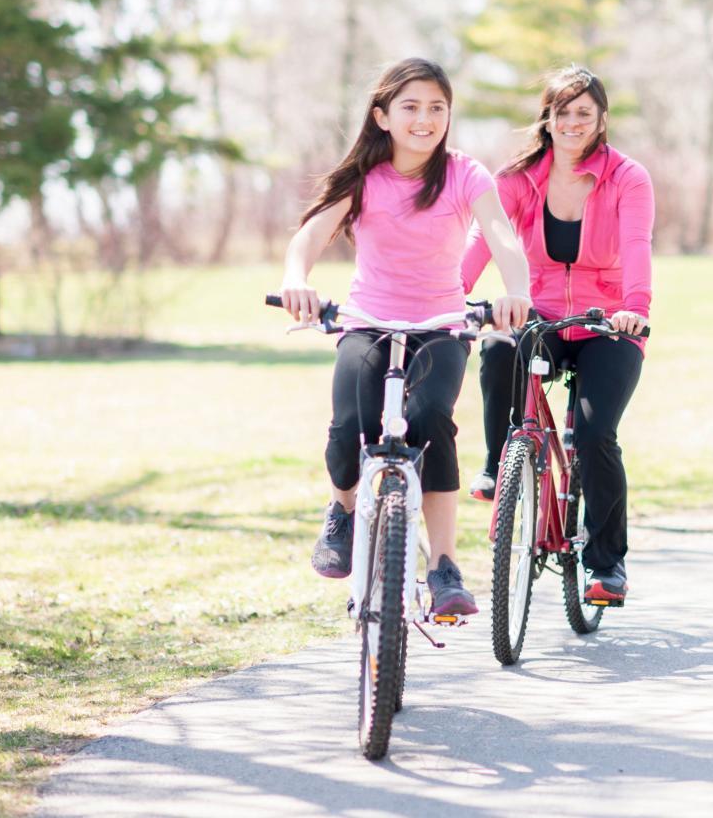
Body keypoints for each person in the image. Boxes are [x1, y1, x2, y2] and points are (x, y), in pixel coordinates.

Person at [279, 57, 532, 617]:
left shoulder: (466, 174)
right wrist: (296, 280)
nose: (425, 119)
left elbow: (502, 237)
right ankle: (343, 510)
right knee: (350, 425)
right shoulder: (363, 179)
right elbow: (310, 237)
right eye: (411, 107)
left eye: (437, 108)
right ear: (383, 116)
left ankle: (444, 567)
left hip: (441, 326)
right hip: (368, 321)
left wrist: (516, 290)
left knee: (432, 422)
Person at [461, 65, 654, 606]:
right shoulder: (518, 178)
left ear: (601, 119)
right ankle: (502, 461)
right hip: (537, 313)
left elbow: (638, 244)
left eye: (584, 113)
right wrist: (450, 296)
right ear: (546, 117)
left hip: (607, 323)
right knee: (498, 346)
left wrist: (634, 309)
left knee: (595, 436)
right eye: (562, 112)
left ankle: (606, 564)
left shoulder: (626, 177)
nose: (572, 123)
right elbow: (481, 240)